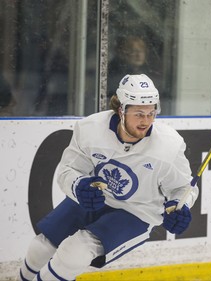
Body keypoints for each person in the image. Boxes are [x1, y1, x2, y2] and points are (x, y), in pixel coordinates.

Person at [18, 74, 199, 280]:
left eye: (151, 113)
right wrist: (78, 186)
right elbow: (68, 170)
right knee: (41, 246)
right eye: (139, 114)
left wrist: (179, 205)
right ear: (121, 110)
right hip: (97, 198)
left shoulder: (169, 145)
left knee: (75, 252)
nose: (146, 121)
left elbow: (184, 188)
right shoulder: (90, 129)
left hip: (137, 212)